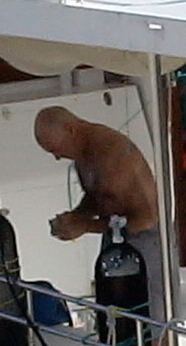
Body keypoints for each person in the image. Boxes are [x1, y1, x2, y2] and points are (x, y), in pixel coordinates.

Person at [32, 104, 162, 288]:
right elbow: (98, 195)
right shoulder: (82, 153)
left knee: (145, 298)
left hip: (145, 240)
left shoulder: (114, 155)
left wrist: (86, 225)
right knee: (112, 297)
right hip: (115, 237)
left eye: (56, 149)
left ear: (70, 130)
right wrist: (76, 216)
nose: (58, 157)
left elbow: (146, 219)